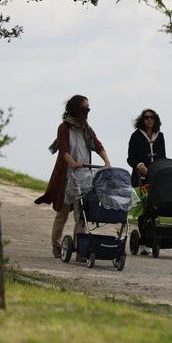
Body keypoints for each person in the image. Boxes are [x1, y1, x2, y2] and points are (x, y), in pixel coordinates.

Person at [35, 95, 111, 260]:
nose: (87, 111)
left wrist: (106, 161)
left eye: (88, 108)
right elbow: (63, 150)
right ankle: (56, 245)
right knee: (62, 214)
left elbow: (98, 145)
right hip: (67, 178)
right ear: (76, 109)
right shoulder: (64, 128)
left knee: (81, 216)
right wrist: (73, 162)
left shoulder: (87, 129)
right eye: (85, 108)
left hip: (84, 179)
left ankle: (80, 249)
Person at [126, 108, 166, 187]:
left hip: (156, 179)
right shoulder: (135, 136)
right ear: (142, 120)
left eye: (152, 117)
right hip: (139, 179)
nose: (149, 119)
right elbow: (130, 159)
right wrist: (139, 165)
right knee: (140, 199)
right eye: (146, 118)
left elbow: (163, 157)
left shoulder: (160, 136)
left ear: (155, 120)